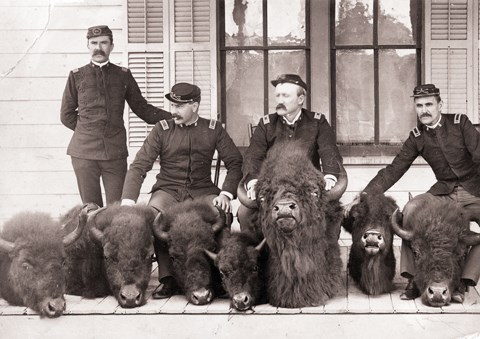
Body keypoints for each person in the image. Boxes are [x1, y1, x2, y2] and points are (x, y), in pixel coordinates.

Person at [358, 83, 480, 302]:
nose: (424, 110)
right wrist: (366, 193)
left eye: (429, 105)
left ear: (440, 105)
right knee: (410, 211)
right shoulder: (417, 137)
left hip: (476, 191)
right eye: (419, 105)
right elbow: (394, 169)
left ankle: (463, 281)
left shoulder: (460, 124)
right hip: (445, 192)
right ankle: (413, 279)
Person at [120, 82, 243, 298]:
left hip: (202, 190)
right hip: (168, 190)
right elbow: (139, 165)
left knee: (221, 215)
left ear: (194, 106)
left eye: (180, 106)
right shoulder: (162, 129)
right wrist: (127, 201)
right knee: (154, 217)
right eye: (172, 105)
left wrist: (226, 193)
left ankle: (217, 274)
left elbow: (234, 161)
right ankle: (167, 279)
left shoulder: (213, 129)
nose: (173, 111)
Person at [60, 25, 171, 207]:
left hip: (114, 152)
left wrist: (172, 117)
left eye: (104, 43)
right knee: (91, 209)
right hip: (83, 153)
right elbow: (66, 115)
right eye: (94, 43)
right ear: (87, 46)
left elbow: (141, 108)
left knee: (117, 208)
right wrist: (88, 131)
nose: (98, 47)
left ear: (111, 46)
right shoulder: (76, 76)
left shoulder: (123, 75)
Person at [238, 73, 345, 232]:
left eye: (286, 96)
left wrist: (329, 176)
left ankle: (323, 256)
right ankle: (258, 255)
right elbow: (253, 156)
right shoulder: (266, 124)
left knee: (333, 213)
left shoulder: (317, 122)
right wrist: (253, 182)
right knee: (245, 213)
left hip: (307, 189)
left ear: (300, 99)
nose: (280, 100)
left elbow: (329, 151)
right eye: (278, 96)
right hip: (273, 189)